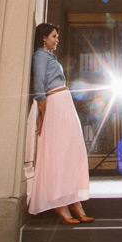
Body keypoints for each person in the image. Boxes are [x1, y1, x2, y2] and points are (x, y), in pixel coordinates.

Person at [28, 22, 94, 225]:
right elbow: (38, 82)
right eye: (54, 36)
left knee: (72, 151)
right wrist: (42, 110)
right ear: (44, 38)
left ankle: (74, 201)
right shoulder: (40, 56)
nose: (57, 39)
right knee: (59, 152)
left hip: (63, 102)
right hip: (54, 102)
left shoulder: (50, 57)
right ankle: (61, 204)